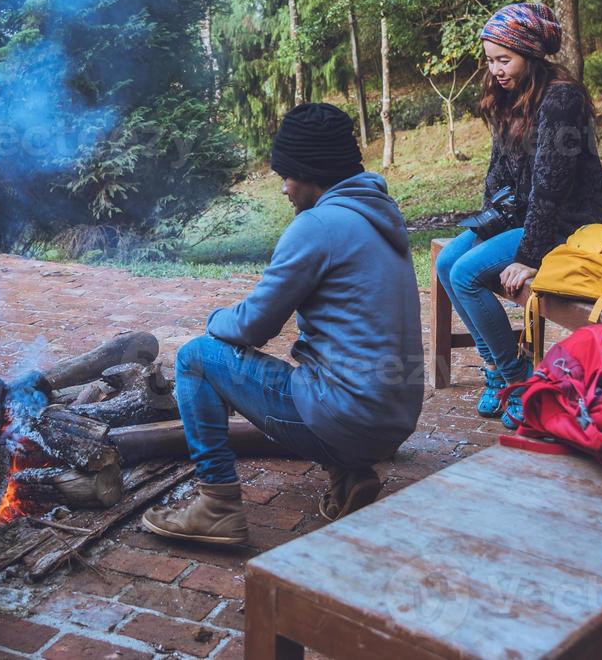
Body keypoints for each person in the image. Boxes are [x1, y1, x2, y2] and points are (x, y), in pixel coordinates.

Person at [143, 103, 423, 545]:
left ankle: (216, 506)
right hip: (394, 420)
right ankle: (348, 475)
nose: (284, 188)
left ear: (311, 172)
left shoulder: (317, 226)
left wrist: (215, 318)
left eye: (287, 175)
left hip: (348, 420)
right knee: (324, 370)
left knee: (196, 358)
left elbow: (254, 326)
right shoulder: (379, 215)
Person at [434, 2, 602, 429]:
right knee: (445, 261)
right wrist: (487, 221)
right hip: (522, 216)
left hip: (570, 224)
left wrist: (530, 256)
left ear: (530, 55)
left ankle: (519, 379)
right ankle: (498, 366)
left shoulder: (561, 98)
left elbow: (551, 184)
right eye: (490, 59)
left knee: (465, 275)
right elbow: (498, 171)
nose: (495, 69)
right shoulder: (509, 95)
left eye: (504, 59)